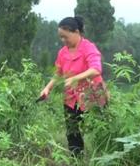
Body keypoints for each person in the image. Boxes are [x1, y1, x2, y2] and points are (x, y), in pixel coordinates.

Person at [39, 16, 107, 155]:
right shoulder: (62, 52)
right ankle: (77, 162)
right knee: (72, 131)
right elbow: (58, 73)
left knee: (100, 130)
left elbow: (96, 69)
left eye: (65, 36)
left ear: (76, 32)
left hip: (92, 95)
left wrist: (75, 78)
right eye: (61, 37)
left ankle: (103, 160)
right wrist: (47, 88)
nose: (63, 40)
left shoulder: (89, 48)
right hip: (71, 98)